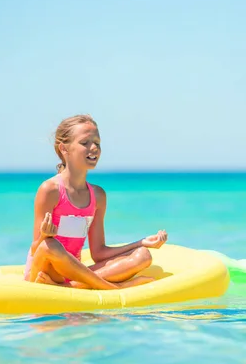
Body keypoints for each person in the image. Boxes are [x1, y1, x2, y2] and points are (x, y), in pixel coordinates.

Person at [23, 114, 169, 289]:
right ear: (64, 148)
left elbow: (99, 253)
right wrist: (45, 236)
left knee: (143, 256)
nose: (93, 148)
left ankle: (70, 287)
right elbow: (37, 249)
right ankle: (114, 288)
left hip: (72, 275)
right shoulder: (50, 190)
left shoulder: (98, 196)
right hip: (44, 272)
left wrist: (141, 242)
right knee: (51, 245)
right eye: (85, 143)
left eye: (97, 143)